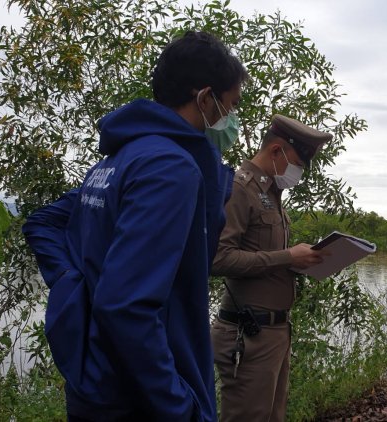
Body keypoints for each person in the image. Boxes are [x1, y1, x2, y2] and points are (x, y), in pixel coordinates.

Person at [21, 31, 247, 421]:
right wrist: (178, 405)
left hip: (98, 382)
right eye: (230, 105)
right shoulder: (168, 167)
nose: (230, 119)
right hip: (139, 398)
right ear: (205, 98)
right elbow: (125, 305)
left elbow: (45, 222)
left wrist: (72, 282)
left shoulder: (119, 159)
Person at [210, 114, 330, 421]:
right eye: (299, 164)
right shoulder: (240, 189)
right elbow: (218, 259)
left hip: (275, 333)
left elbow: (265, 257)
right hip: (248, 334)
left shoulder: (271, 195)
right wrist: (288, 257)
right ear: (276, 151)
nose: (299, 173)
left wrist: (306, 262)